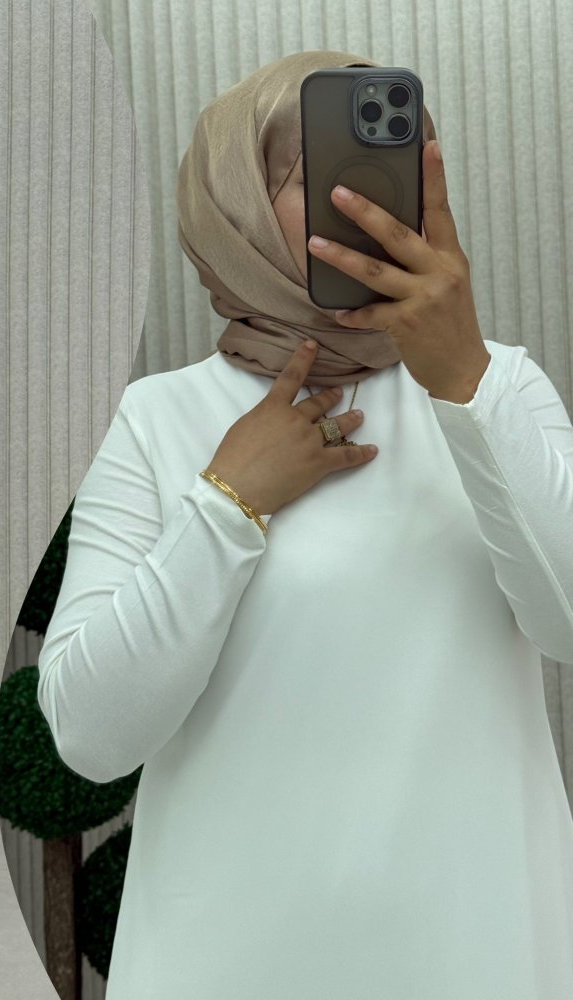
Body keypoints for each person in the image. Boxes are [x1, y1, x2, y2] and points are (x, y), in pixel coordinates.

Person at [37, 49, 573, 998]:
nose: (369, 198)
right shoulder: (156, 418)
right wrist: (226, 503)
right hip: (227, 956)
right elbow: (90, 735)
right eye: (317, 170)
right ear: (236, 205)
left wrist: (466, 383)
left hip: (477, 946)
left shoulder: (503, 387)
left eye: (397, 162)